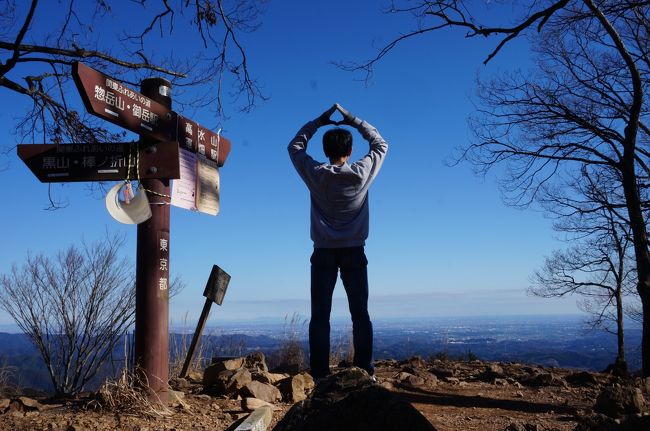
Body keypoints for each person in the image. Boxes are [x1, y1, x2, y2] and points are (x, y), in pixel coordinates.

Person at [287, 103, 388, 380]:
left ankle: (320, 373)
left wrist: (318, 121)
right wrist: (353, 120)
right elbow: (380, 144)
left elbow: (295, 147)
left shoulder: (316, 174)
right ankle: (365, 371)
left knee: (320, 316)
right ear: (350, 151)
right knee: (360, 314)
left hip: (322, 253)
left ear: (325, 150)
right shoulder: (362, 173)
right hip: (355, 252)